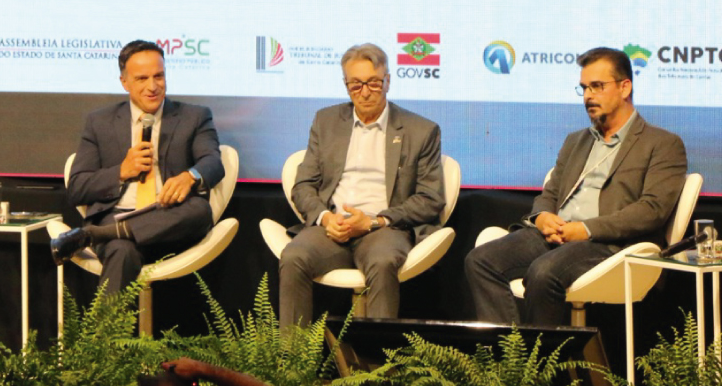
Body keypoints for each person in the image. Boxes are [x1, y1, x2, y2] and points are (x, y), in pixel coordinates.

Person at [465, 46, 687, 325]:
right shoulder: (576, 141)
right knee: (481, 261)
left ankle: (541, 363)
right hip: (556, 235)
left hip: (608, 245)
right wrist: (543, 216)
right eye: (584, 88)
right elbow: (551, 192)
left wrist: (585, 229)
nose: (588, 96)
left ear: (625, 87)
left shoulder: (662, 144)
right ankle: (510, 359)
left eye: (597, 86)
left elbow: (652, 210)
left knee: (544, 272)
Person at [278, 43, 444, 327]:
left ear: (388, 81)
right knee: (294, 256)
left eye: (373, 83)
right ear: (346, 85)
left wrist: (374, 221)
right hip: (333, 227)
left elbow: (430, 199)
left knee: (382, 263)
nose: (365, 92)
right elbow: (303, 184)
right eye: (356, 85)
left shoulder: (421, 130)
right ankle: (292, 366)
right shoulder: (326, 121)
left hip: (385, 228)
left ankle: (376, 367)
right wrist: (326, 217)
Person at [50, 39, 224, 294]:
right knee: (121, 251)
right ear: (124, 82)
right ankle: (105, 335)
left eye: (159, 76)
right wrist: (121, 171)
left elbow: (213, 162)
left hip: (170, 220)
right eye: (142, 79)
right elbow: (77, 187)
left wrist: (189, 176)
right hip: (118, 213)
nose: (153, 86)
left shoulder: (194, 116)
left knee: (199, 210)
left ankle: (95, 235)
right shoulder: (100, 122)